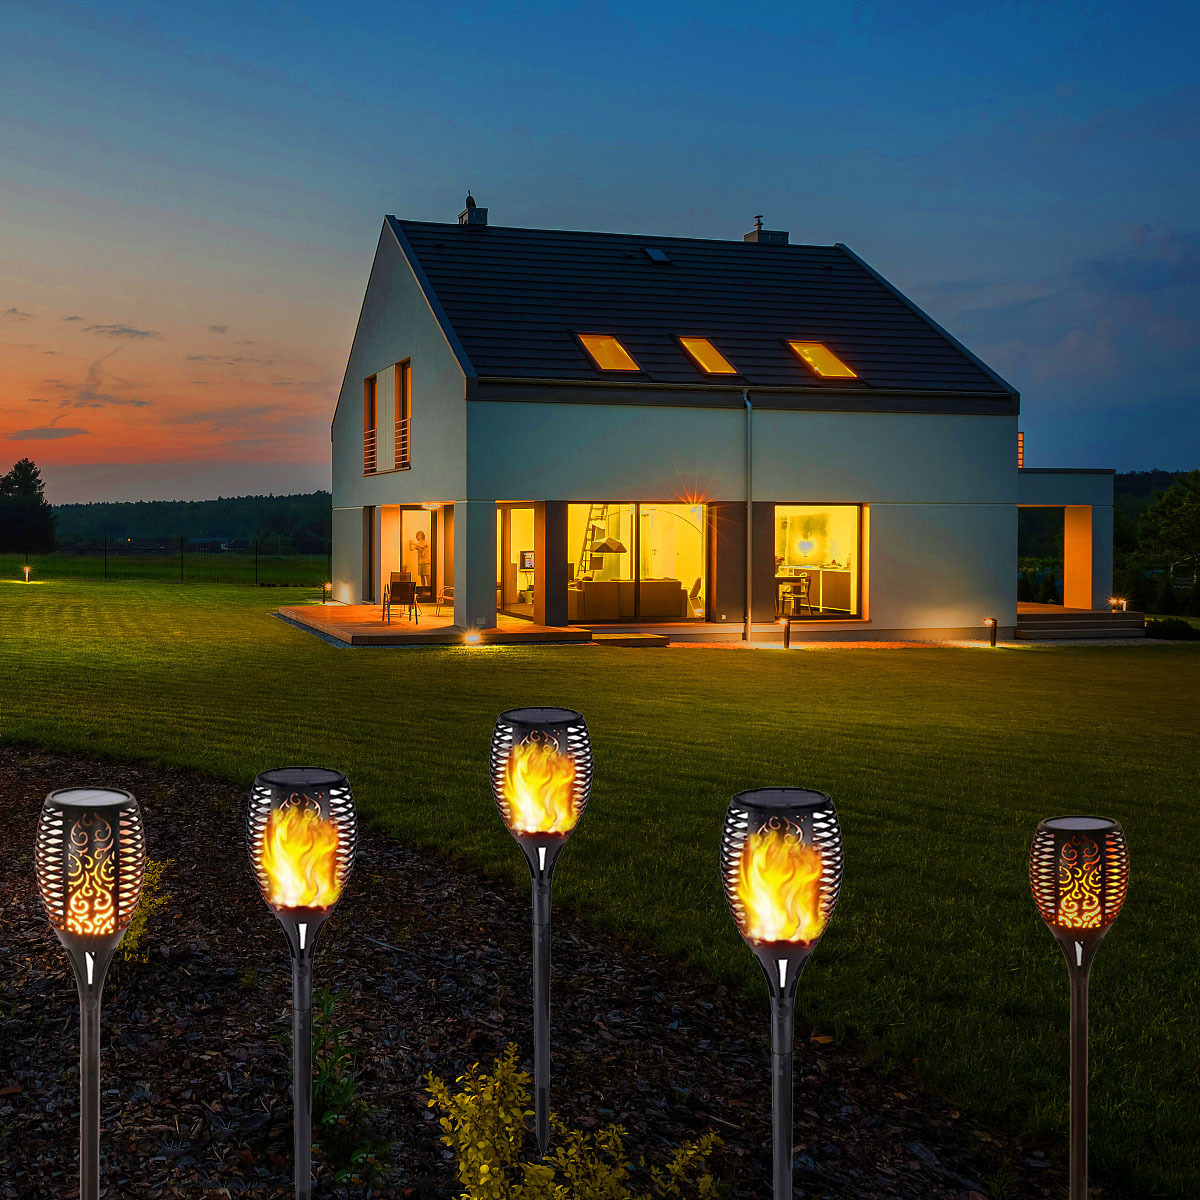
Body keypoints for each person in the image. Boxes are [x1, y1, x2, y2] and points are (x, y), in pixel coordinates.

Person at [410, 529, 431, 594]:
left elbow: (422, 546)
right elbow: (411, 549)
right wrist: (410, 544)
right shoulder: (418, 544)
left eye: (419, 535)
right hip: (420, 562)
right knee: (422, 576)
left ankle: (430, 590)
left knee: (427, 576)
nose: (418, 537)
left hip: (426, 562)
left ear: (422, 535)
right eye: (417, 535)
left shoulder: (425, 542)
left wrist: (413, 543)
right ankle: (424, 590)